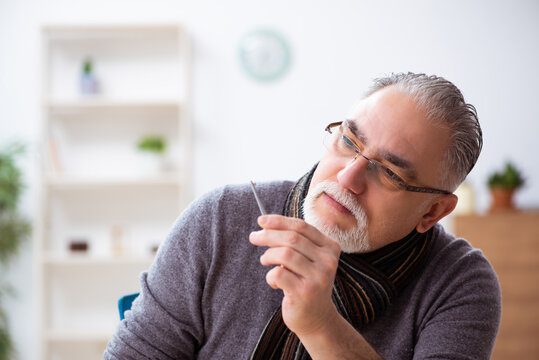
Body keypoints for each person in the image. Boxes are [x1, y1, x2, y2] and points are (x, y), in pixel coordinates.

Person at [103, 72, 501, 360]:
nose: (348, 177)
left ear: (432, 210)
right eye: (348, 140)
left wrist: (320, 324)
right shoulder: (219, 218)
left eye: (390, 173)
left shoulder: (460, 283)